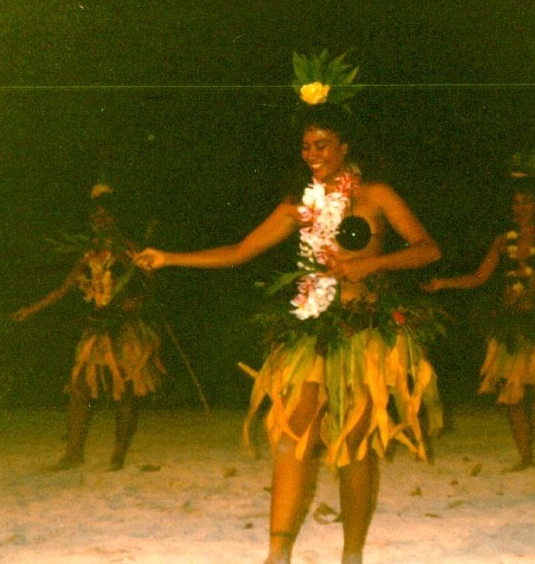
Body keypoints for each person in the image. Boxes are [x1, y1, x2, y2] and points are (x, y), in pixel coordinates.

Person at [135, 76, 443, 564]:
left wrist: (371, 263)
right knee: (294, 435)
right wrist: (169, 258)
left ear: (344, 146)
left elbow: (428, 249)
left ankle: (352, 555)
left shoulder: (377, 196)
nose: (312, 153)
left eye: (321, 144)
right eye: (305, 145)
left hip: (363, 333)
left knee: (355, 449)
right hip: (311, 332)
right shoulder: (299, 205)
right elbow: (239, 251)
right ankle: (277, 554)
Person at [423, 175, 535, 471]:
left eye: (526, 202)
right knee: (512, 394)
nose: (520, 208)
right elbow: (478, 278)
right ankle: (524, 457)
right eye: (516, 203)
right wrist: (443, 283)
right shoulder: (503, 242)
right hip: (510, 324)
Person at [12, 184, 166, 471]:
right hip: (97, 329)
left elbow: (152, 284)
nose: (100, 218)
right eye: (95, 214)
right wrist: (30, 310)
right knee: (80, 388)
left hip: (127, 328)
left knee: (127, 390)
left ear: (115, 217)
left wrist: (137, 302)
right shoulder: (88, 254)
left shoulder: (130, 250)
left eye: (105, 214)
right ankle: (73, 453)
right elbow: (64, 289)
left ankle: (119, 453)